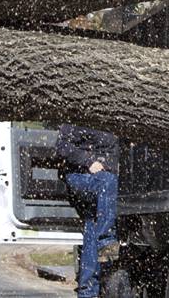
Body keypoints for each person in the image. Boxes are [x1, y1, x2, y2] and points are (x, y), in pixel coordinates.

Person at [56, 123, 120, 298]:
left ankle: (88, 291)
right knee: (107, 182)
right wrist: (88, 161)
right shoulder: (80, 118)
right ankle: (106, 240)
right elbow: (62, 147)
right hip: (80, 177)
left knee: (91, 227)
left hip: (103, 183)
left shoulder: (117, 120)